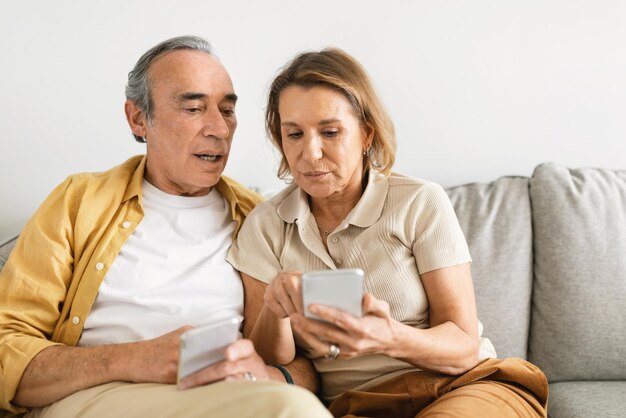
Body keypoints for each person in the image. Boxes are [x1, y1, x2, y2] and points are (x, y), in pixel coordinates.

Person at [0, 36, 331, 418]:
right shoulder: (78, 201)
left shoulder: (261, 219)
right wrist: (132, 360)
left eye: (227, 110)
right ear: (138, 118)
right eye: (193, 108)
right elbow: (7, 349)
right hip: (97, 396)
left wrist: (271, 378)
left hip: (232, 399)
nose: (219, 129)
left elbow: (309, 365)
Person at [227, 48, 549, 418]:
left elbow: (463, 344)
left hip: (464, 386)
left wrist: (389, 336)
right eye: (294, 134)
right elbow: (273, 363)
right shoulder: (265, 226)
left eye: (330, 132)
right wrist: (274, 308)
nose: (310, 152)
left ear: (367, 133)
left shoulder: (419, 202)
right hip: (358, 405)